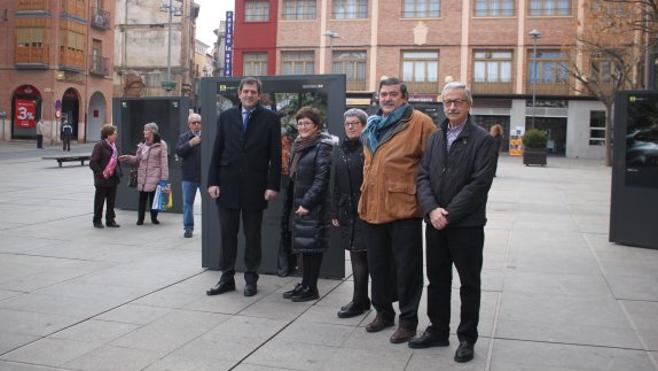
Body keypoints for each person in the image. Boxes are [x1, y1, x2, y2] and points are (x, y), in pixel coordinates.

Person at [411, 82, 496, 363]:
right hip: (435, 224)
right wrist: (432, 209)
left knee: (469, 283)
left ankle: (467, 338)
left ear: (469, 104)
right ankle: (437, 330)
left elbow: (479, 184)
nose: (452, 107)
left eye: (458, 101)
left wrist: (447, 214)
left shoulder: (482, 140)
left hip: (467, 227)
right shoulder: (435, 137)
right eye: (447, 102)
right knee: (436, 281)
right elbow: (423, 176)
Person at [358, 77, 436, 344]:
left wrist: (431, 202)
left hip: (404, 208)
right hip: (372, 206)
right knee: (378, 266)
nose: (388, 98)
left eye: (393, 94)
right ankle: (383, 313)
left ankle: (408, 321)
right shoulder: (372, 123)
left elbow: (433, 164)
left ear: (404, 97)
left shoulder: (420, 123)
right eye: (384, 94)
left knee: (408, 269)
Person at [206, 77, 282, 298]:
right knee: (227, 235)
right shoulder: (226, 117)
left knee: (252, 236)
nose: (249, 95)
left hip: (255, 186)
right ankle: (226, 278)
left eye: (253, 92)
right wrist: (213, 181)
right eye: (245, 91)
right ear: (239, 94)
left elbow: (275, 155)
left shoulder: (270, 119)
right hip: (227, 184)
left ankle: (251, 279)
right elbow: (217, 150)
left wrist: (272, 185)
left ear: (259, 95)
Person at [281, 107, 336, 302]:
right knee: (304, 248)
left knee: (312, 249)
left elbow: (322, 179)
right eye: (300, 123)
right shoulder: (299, 144)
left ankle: (311, 288)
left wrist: (306, 203)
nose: (303, 127)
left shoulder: (322, 146)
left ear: (316, 126)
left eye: (307, 123)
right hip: (298, 203)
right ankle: (304, 284)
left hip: (313, 206)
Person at [330, 108, 371, 317]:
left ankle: (360, 301)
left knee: (363, 256)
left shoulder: (369, 148)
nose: (351, 126)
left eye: (355, 123)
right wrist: (335, 210)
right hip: (347, 210)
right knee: (356, 255)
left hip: (366, 209)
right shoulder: (342, 149)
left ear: (364, 126)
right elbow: (336, 182)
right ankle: (361, 300)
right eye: (348, 123)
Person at [118, 122, 169, 225]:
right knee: (142, 198)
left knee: (153, 198)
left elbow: (164, 162)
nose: (144, 132)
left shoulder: (161, 144)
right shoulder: (142, 144)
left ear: (152, 132)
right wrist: (127, 158)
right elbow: (137, 160)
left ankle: (154, 218)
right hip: (143, 175)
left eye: (146, 130)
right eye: (144, 130)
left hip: (155, 175)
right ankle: (140, 219)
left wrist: (164, 179)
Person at [176, 113, 202, 238]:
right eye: (194, 122)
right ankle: (188, 228)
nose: (196, 125)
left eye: (198, 122)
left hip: (204, 176)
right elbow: (179, 151)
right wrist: (191, 143)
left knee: (210, 204)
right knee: (187, 204)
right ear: (189, 124)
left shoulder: (208, 135)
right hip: (189, 176)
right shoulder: (184, 137)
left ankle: (211, 227)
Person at [89, 125, 121, 229]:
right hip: (102, 179)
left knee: (111, 201)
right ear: (108, 135)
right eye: (114, 134)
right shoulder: (100, 145)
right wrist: (101, 173)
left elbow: (115, 161)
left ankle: (110, 220)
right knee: (100, 201)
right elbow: (93, 162)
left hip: (112, 179)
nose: (116, 135)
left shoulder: (114, 146)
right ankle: (97, 220)